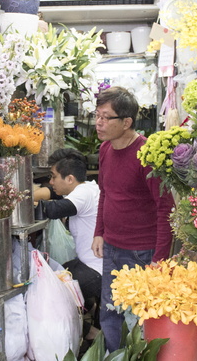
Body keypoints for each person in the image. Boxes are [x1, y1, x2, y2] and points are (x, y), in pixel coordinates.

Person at [90, 86, 174, 352]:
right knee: (110, 314)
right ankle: (115, 357)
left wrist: (159, 260)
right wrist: (99, 231)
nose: (99, 123)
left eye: (106, 117)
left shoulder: (147, 154)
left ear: (126, 122)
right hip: (112, 248)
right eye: (97, 115)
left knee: (138, 318)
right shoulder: (105, 149)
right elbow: (105, 193)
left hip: (141, 252)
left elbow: (165, 208)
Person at [34, 148, 102, 334]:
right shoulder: (87, 187)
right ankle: (89, 317)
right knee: (57, 273)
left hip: (96, 270)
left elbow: (53, 210)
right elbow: (53, 193)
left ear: (70, 179)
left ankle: (90, 333)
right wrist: (31, 195)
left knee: (51, 295)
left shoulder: (83, 193)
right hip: (91, 262)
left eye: (54, 176)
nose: (51, 181)